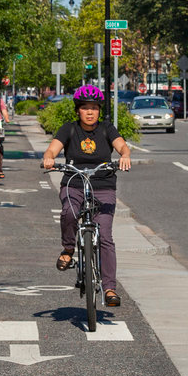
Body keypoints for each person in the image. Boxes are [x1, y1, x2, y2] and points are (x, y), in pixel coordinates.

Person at [41, 84, 133, 307]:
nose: (90, 112)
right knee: (70, 213)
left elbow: (122, 146)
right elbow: (52, 148)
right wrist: (49, 157)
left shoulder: (107, 129)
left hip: (103, 184)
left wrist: (125, 155)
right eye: (85, 108)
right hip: (74, 182)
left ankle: (109, 288)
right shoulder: (69, 129)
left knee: (105, 236)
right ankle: (69, 248)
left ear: (99, 111)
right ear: (78, 111)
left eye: (94, 108)